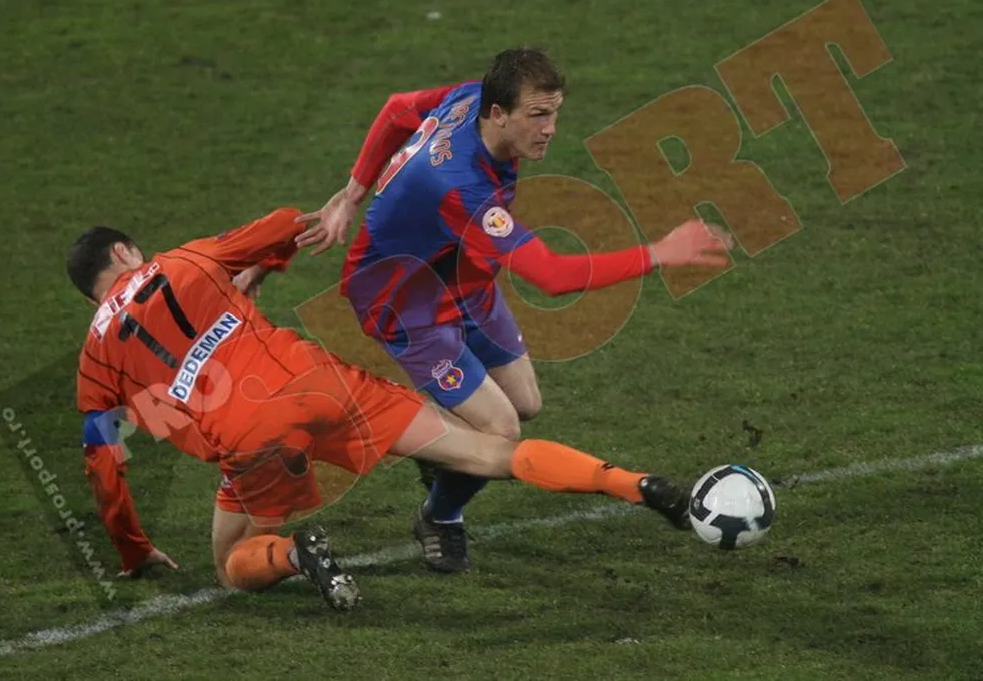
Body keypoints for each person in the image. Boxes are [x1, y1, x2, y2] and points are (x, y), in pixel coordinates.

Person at [67, 207, 720, 610]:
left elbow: (103, 462)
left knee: (233, 565)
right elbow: (288, 221)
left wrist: (132, 548)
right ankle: (635, 484)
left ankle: (296, 555)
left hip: (251, 435)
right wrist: (266, 263)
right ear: (125, 252)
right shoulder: (185, 260)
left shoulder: (96, 359)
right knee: (490, 451)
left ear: (91, 290)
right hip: (320, 381)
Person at [294, 47, 733, 573]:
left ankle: (443, 447)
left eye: (555, 113)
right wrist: (659, 253)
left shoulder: (468, 99)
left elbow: (396, 109)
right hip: (406, 306)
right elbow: (551, 276)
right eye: (538, 115)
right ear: (499, 113)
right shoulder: (460, 186)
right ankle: (440, 515)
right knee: (500, 430)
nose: (550, 129)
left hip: (464, 277)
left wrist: (350, 194)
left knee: (525, 402)